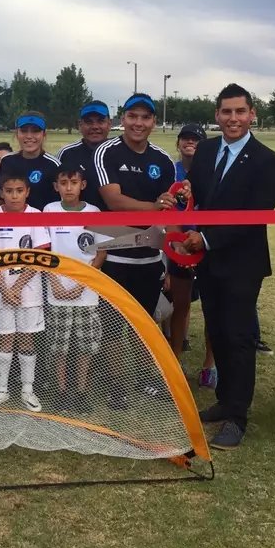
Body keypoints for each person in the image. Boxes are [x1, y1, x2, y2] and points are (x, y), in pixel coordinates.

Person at [180, 83, 275, 450]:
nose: (233, 118)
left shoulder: (268, 160)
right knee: (217, 331)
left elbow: (254, 217)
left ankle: (237, 416)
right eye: (227, 112)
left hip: (242, 263)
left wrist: (207, 240)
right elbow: (198, 202)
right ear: (217, 115)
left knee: (239, 337)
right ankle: (224, 399)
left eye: (240, 111)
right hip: (207, 263)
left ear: (252, 113)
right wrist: (185, 216)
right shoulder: (206, 151)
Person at [93, 94, 175, 410]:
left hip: (152, 257)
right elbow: (114, 201)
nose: (138, 123)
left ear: (153, 121)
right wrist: (153, 208)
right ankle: (116, 387)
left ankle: (147, 378)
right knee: (113, 326)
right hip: (115, 256)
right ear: (122, 118)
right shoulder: (106, 152)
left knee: (146, 324)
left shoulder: (164, 160)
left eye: (145, 117)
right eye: (132, 116)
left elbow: (170, 207)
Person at [0, 169, 51, 412]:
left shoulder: (36, 216)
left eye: (19, 191)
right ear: (1, 193)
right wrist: (5, 288)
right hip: (0, 291)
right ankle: (1, 389)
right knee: (4, 337)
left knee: (26, 338)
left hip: (29, 292)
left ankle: (27, 390)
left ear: (27, 192)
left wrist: (18, 286)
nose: (14, 196)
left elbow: (41, 255)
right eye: (9, 191)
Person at [43, 165, 107, 413]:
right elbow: (45, 250)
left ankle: (80, 391)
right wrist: (56, 282)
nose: (68, 187)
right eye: (63, 182)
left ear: (83, 185)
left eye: (73, 182)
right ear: (56, 186)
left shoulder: (94, 212)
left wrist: (84, 282)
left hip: (86, 293)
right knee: (59, 346)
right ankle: (61, 392)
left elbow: (101, 251)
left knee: (85, 346)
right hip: (56, 291)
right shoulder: (49, 210)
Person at [167, 123, 216, 386]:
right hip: (179, 246)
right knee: (180, 305)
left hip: (206, 247)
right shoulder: (170, 171)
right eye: (185, 138)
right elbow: (165, 211)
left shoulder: (211, 173)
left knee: (211, 307)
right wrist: (179, 244)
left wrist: (201, 241)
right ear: (178, 143)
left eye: (195, 139)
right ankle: (176, 359)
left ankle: (210, 365)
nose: (190, 143)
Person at [56, 100, 113, 210]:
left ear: (109, 124)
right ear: (80, 125)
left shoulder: (119, 151)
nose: (95, 126)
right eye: (89, 122)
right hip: (76, 222)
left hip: (113, 223)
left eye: (100, 121)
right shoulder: (67, 153)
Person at [0, 112, 60, 211]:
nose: (29, 136)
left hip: (42, 223)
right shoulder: (7, 161)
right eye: (24, 131)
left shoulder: (53, 165)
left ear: (44, 134)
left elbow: (57, 204)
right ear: (17, 134)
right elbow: (0, 199)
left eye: (35, 131)